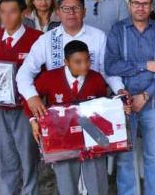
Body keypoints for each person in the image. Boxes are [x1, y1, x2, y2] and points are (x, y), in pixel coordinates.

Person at [105, 0, 155, 195]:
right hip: (125, 104)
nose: (140, 8)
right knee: (125, 155)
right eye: (136, 3)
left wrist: (145, 95)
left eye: (145, 4)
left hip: (152, 102)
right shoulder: (118, 30)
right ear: (129, 5)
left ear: (152, 6)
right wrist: (145, 65)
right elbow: (110, 65)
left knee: (152, 155)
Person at [27, 40, 123, 195]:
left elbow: (103, 107)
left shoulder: (97, 79)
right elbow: (30, 100)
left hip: (92, 135)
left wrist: (118, 107)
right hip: (62, 137)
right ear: (66, 62)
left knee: (98, 184)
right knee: (67, 186)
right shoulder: (50, 78)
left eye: (87, 60)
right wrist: (33, 121)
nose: (84, 66)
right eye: (78, 62)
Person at [0, 0, 42, 195]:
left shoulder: (36, 38)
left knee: (27, 156)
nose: (7, 17)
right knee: (5, 155)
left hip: (24, 110)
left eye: (12, 11)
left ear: (22, 13)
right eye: (2, 12)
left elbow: (43, 75)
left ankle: (30, 192)